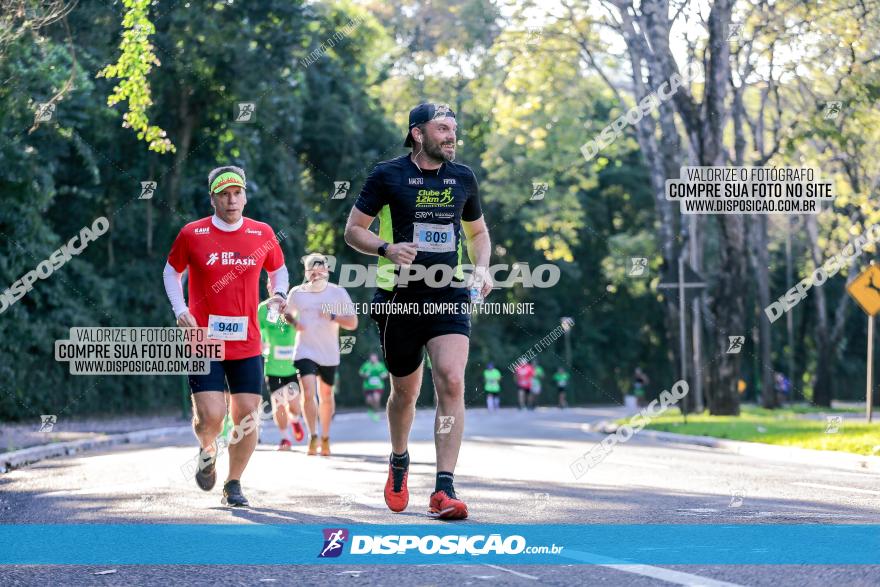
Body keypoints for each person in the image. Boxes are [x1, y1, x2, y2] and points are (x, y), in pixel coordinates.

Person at [344, 102, 492, 520]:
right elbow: (353, 230)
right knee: (404, 394)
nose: (451, 135)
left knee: (451, 380)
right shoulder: (387, 175)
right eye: (443, 128)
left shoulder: (463, 177)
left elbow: (478, 232)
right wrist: (387, 249)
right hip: (399, 298)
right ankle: (399, 459)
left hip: (448, 294)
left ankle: (444, 487)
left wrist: (481, 269)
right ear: (417, 133)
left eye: (454, 129)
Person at [163, 165, 289, 507]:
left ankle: (233, 483)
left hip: (247, 341)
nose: (231, 201)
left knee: (248, 416)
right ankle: (207, 450)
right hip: (204, 340)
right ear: (213, 198)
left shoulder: (262, 233)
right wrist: (180, 310)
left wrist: (279, 295)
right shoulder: (193, 234)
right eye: (224, 194)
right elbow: (171, 272)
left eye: (237, 193)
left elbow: (278, 270)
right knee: (211, 417)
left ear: (245, 196)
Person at [283, 253, 357, 456]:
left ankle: (325, 436)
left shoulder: (337, 293)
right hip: (304, 350)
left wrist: (333, 316)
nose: (316, 275)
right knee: (308, 392)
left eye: (320, 271)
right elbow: (286, 313)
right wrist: (295, 323)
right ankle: (312, 435)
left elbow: (352, 323)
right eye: (312, 272)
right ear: (306, 273)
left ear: (326, 271)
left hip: (329, 352)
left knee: (326, 395)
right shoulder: (297, 293)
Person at [258, 290, 304, 450]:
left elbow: (303, 329)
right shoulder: (263, 309)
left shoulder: (295, 307)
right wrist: (261, 344)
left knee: (294, 405)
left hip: (292, 366)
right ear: (269, 287)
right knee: (279, 404)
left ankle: (295, 420)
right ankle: (285, 438)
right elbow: (256, 330)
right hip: (272, 366)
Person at [360, 353, 389, 421]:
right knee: (369, 401)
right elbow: (361, 373)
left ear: (377, 358)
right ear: (370, 358)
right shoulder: (366, 365)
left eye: (374, 358)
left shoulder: (380, 365)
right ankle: (371, 410)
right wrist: (365, 375)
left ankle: (376, 413)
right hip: (368, 386)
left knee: (376, 399)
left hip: (378, 386)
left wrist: (383, 375)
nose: (373, 359)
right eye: (372, 358)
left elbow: (386, 373)